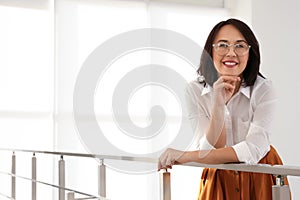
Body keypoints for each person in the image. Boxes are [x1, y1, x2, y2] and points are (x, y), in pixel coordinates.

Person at [157, 18, 289, 199]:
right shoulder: (194, 91)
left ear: (250, 53)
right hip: (218, 172)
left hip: (261, 171)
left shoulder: (264, 89)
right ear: (210, 51)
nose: (231, 53)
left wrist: (185, 156)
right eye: (222, 45)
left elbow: (253, 150)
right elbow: (209, 148)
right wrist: (218, 104)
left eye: (240, 46)